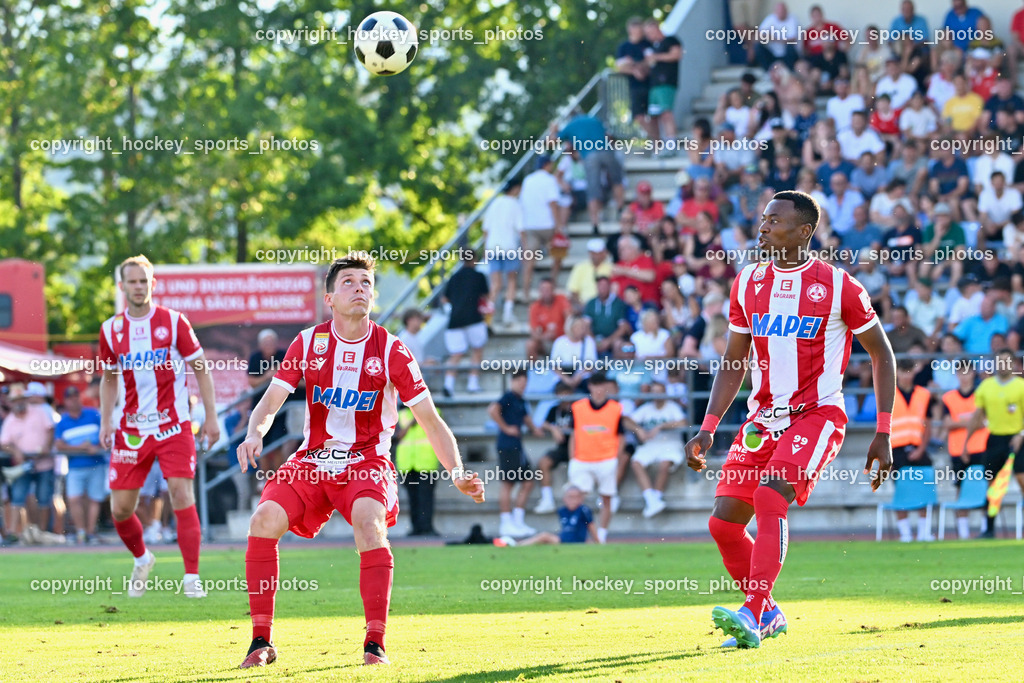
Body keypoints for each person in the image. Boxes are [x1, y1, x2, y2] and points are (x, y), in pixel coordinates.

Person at [235, 254, 485, 668]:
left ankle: (375, 644)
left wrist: (457, 472)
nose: (359, 288)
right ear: (330, 297)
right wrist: (254, 432)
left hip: (366, 462)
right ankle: (260, 641)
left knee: (369, 524)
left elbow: (430, 420)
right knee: (262, 520)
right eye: (348, 282)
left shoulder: (391, 350)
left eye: (366, 282)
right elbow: (271, 399)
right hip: (313, 459)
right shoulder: (308, 343)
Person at [685, 190, 896, 648]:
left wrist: (883, 429)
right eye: (762, 219)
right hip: (762, 417)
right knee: (723, 523)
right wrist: (707, 426)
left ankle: (756, 610)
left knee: (770, 494)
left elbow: (881, 353)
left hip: (817, 414)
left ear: (803, 231)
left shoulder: (839, 286)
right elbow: (733, 358)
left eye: (774, 220)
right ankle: (770, 613)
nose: (762, 227)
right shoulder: (746, 283)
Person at [98, 255, 220, 597]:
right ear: (122, 287)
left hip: (174, 425)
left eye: (143, 281)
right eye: (131, 282)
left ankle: (192, 578)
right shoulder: (111, 329)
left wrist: (210, 416)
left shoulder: (174, 322)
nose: (138, 287)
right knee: (120, 509)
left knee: (181, 494)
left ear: (152, 285)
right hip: (131, 428)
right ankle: (142, 558)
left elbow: (201, 368)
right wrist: (106, 420)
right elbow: (109, 379)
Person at [567, 372, 642, 544]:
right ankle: (579, 533)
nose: (599, 389)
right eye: (596, 385)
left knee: (606, 497)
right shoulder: (578, 407)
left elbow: (620, 435)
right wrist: (573, 458)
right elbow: (574, 434)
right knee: (577, 497)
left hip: (606, 458)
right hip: (582, 458)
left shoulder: (615, 408)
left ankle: (602, 534)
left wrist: (614, 457)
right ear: (590, 386)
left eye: (602, 385)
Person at [963, 349, 1024, 538]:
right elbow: (977, 416)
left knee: (1023, 483)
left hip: (1019, 439)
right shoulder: (986, 386)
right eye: (1000, 361)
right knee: (993, 487)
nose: (1003, 365)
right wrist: (966, 442)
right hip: (995, 439)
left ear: (1013, 364)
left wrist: (1021, 434)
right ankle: (989, 529)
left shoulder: (1021, 386)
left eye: (1007, 361)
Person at [0, 384, 59, 545]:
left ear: (25, 399)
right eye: (15, 400)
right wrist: (15, 450)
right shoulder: (10, 420)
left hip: (43, 462)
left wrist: (47, 446)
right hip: (24, 465)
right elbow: (3, 442)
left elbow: (50, 429)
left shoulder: (40, 412)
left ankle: (43, 532)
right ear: (11, 402)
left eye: (20, 399)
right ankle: (13, 532)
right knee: (18, 498)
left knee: (44, 497)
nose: (18, 402)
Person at [488, 369, 543, 538]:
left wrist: (535, 429)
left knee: (527, 482)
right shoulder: (508, 397)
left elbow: (526, 417)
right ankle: (506, 523)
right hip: (508, 445)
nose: (522, 385)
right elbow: (492, 410)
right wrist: (505, 428)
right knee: (508, 484)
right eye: (519, 381)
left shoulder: (520, 400)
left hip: (517, 446)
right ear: (513, 381)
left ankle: (518, 521)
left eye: (524, 382)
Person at [54, 385, 108, 545]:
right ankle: (81, 532)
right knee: (74, 498)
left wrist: (96, 447)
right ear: (65, 401)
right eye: (69, 398)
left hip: (96, 464)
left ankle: (90, 532)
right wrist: (80, 448)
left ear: (79, 398)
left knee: (94, 498)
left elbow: (106, 435)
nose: (73, 400)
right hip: (75, 466)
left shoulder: (93, 414)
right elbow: (59, 444)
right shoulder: (63, 421)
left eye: (75, 396)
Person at [940, 361, 987, 540]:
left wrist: (958, 422)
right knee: (960, 489)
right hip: (957, 450)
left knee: (983, 488)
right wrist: (972, 422)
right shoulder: (949, 397)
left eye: (967, 372)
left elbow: (983, 422)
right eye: (960, 372)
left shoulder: (981, 394)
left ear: (973, 373)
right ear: (956, 374)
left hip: (981, 447)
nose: (964, 375)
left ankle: (985, 528)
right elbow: (947, 423)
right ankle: (963, 532)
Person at [890, 359, 934, 542]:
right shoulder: (888, 394)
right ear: (897, 372)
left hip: (918, 448)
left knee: (924, 488)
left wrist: (922, 449)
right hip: (896, 450)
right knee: (901, 492)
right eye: (903, 371)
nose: (906, 375)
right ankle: (905, 533)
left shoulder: (924, 394)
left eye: (909, 371)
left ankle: (924, 532)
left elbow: (928, 425)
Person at [629, 382, 688, 518]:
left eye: (659, 391)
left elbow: (683, 422)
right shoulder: (646, 408)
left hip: (670, 444)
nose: (656, 394)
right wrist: (638, 430)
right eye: (654, 391)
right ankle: (652, 499)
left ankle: (655, 497)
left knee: (665, 463)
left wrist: (662, 426)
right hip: (651, 445)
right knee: (636, 462)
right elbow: (626, 420)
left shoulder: (672, 407)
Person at [442, 248, 489, 395]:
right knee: (477, 350)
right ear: (474, 258)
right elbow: (485, 296)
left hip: (454, 320)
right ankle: (472, 384)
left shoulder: (454, 277)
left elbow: (445, 298)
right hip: (474, 318)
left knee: (456, 354)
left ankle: (448, 385)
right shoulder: (479, 276)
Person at [494, 485, 597, 546]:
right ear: (565, 498)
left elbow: (591, 527)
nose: (572, 500)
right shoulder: (562, 511)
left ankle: (518, 545)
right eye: (570, 497)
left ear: (581, 499)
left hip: (574, 541)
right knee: (544, 539)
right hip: (563, 539)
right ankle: (518, 545)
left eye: (576, 497)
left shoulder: (583, 510)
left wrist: (598, 543)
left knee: (544, 536)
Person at [519, 156, 562, 299]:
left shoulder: (528, 180)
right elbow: (553, 204)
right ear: (547, 164)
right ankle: (552, 284)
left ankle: (526, 291)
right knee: (557, 255)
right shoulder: (550, 180)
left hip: (530, 225)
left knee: (529, 261)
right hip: (547, 224)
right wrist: (558, 226)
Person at [482, 177, 523, 326]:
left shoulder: (494, 203)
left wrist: (485, 248)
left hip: (493, 246)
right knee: (511, 280)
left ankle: (489, 313)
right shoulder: (515, 204)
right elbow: (521, 229)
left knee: (496, 283)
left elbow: (486, 229)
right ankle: (507, 312)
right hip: (509, 246)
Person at [394, 406, 439, 537]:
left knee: (426, 498)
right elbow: (396, 436)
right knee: (412, 497)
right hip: (407, 463)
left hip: (426, 462)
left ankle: (427, 528)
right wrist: (411, 423)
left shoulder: (433, 411)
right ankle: (416, 528)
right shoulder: (399, 414)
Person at [534, 382, 575, 514]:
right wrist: (554, 428)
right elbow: (543, 423)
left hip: (577, 448)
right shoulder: (554, 410)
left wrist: (566, 430)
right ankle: (547, 499)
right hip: (562, 448)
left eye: (567, 394)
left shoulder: (576, 409)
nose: (564, 397)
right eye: (561, 394)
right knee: (543, 462)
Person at [643, 19, 683, 149]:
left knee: (666, 113)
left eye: (650, 32)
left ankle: (671, 144)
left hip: (667, 83)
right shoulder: (653, 46)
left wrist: (656, 57)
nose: (649, 36)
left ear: (656, 28)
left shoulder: (671, 40)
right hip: (654, 86)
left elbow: (676, 54)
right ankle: (658, 147)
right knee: (654, 117)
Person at [615, 17, 654, 141]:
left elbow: (651, 62)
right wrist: (634, 70)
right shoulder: (624, 47)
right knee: (639, 117)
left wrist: (634, 65)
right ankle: (656, 141)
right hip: (634, 87)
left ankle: (657, 142)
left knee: (653, 116)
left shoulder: (647, 44)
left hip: (650, 85)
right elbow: (620, 67)